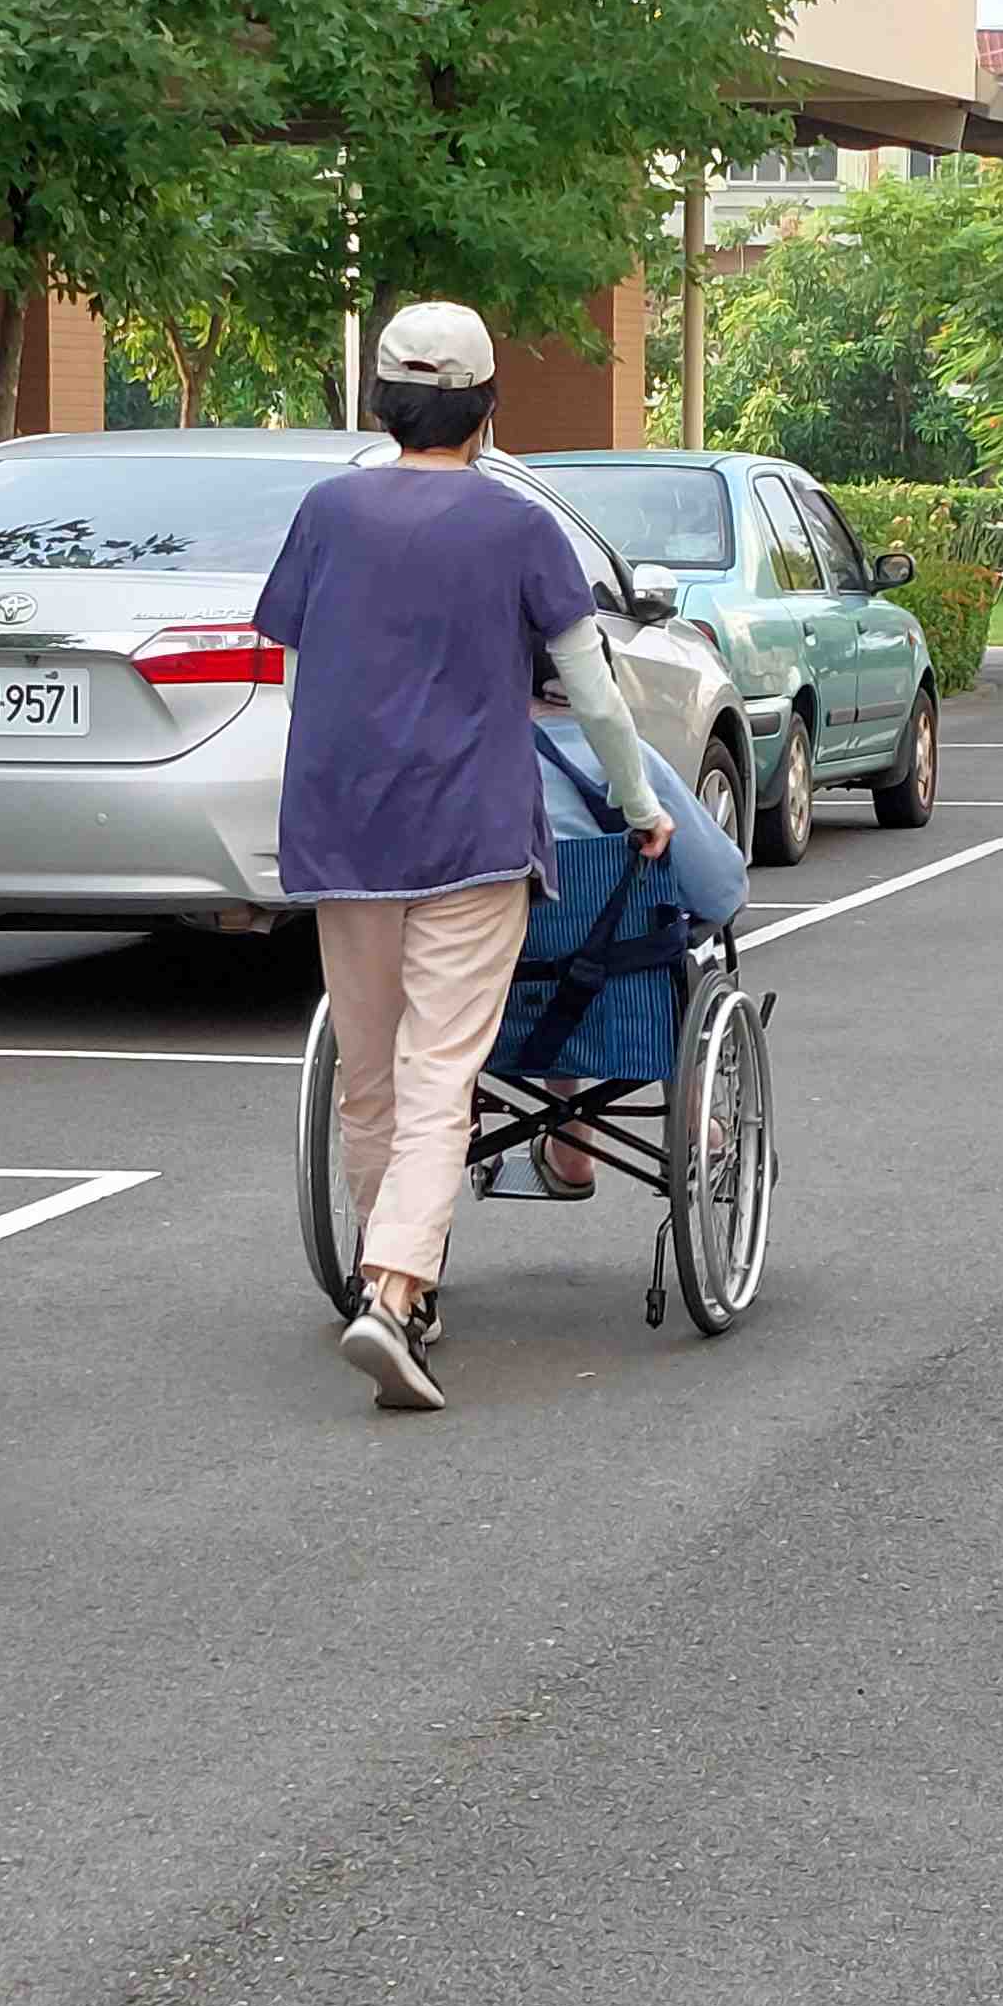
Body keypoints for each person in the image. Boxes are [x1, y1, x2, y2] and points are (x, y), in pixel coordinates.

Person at [255, 301, 673, 1414]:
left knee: (371, 1069)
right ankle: (396, 1289)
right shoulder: (515, 525)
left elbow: (296, 669)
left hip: (341, 829)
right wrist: (638, 805)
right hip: (470, 830)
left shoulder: (325, 512)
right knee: (444, 1072)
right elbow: (593, 689)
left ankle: (376, 1272)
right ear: (489, 405)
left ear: (379, 402)